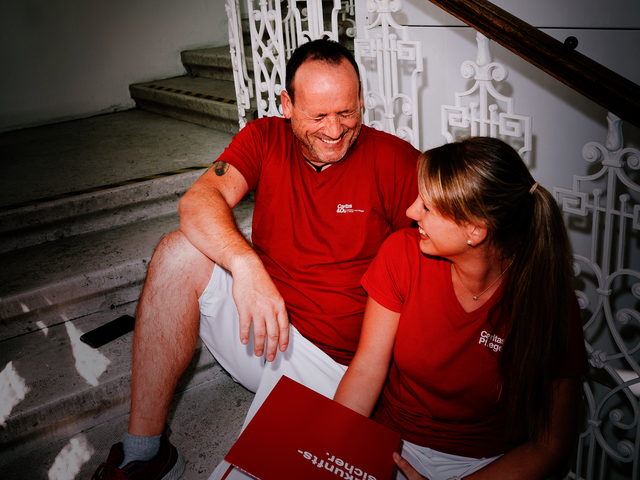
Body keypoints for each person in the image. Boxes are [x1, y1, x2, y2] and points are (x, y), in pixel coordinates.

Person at [90, 39, 420, 480]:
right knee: (176, 251)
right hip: (261, 329)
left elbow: (434, 265)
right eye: (317, 116)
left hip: (332, 363)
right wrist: (246, 266)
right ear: (287, 104)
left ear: (361, 100)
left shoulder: (396, 160)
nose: (335, 130)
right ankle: (144, 450)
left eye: (346, 112)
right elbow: (198, 201)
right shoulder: (264, 138)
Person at [334, 137, 589, 480]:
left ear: (475, 230)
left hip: (485, 464)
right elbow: (366, 367)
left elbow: (549, 446)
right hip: (391, 441)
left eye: (427, 207)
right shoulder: (401, 253)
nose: (411, 212)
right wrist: (328, 446)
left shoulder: (549, 302)